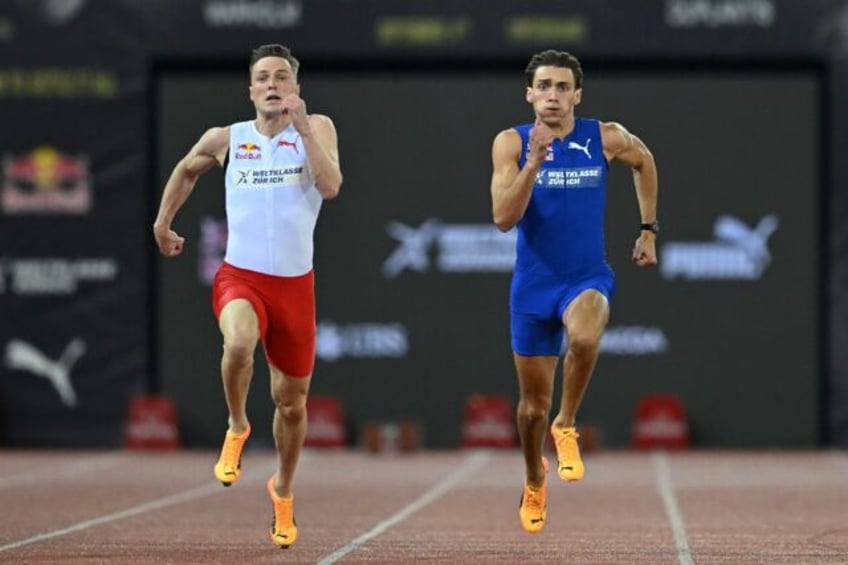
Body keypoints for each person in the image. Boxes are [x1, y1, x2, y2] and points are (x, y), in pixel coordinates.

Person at [153, 43, 342, 548]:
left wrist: (302, 130)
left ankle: (282, 490)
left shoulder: (316, 128)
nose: (273, 84)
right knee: (238, 344)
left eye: (283, 76)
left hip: (294, 287)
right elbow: (186, 170)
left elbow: (331, 186)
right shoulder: (227, 138)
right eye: (264, 77)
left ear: (296, 89)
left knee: (292, 404)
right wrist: (162, 222)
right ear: (251, 89)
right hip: (242, 277)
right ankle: (237, 425)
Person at [489, 49, 658, 534]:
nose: (554, 96)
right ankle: (533, 477)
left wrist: (648, 228)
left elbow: (644, 161)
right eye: (544, 86)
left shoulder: (603, 137)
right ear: (529, 94)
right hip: (533, 287)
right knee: (529, 409)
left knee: (584, 338)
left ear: (577, 95)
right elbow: (503, 218)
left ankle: (567, 424)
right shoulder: (511, 143)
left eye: (563, 87)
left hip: (586, 275)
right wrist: (534, 163)